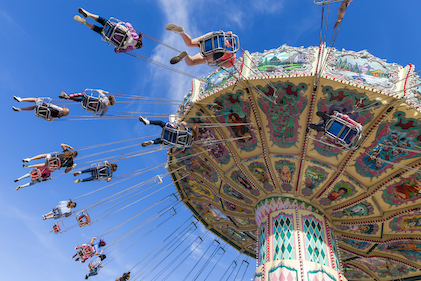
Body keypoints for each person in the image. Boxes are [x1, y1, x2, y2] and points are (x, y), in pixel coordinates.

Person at [166, 24, 237, 68]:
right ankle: (186, 57)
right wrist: (215, 63)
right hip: (217, 52)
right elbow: (221, 63)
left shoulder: (230, 41)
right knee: (192, 62)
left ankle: (182, 33)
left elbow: (229, 33)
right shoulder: (231, 61)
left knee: (190, 43)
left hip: (214, 37)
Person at [74, 8, 142, 53]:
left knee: (103, 21)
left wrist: (130, 29)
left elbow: (127, 24)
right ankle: (85, 23)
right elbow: (116, 50)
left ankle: (89, 14)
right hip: (108, 35)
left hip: (113, 27)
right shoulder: (130, 48)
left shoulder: (135, 36)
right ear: (136, 47)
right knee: (98, 30)